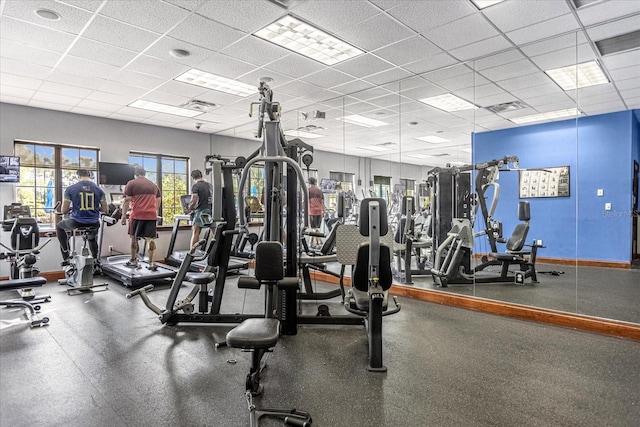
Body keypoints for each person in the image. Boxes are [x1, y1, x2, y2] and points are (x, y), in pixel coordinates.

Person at [56, 169, 108, 266]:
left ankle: (66, 255)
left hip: (76, 222)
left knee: (59, 226)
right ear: (89, 175)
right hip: (94, 222)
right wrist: (95, 208)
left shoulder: (71, 189)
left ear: (78, 176)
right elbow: (106, 210)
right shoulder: (99, 190)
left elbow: (63, 210)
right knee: (92, 238)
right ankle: (95, 260)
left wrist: (73, 208)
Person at [121, 167, 161, 270]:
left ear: (135, 174)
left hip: (137, 215)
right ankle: (151, 263)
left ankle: (134, 260)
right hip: (151, 216)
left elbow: (127, 200)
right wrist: (152, 210)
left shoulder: (131, 183)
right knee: (150, 239)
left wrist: (123, 216)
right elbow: (158, 200)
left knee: (134, 238)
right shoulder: (153, 185)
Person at [187, 169, 213, 249]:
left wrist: (190, 207)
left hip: (201, 211)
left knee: (196, 232)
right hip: (211, 210)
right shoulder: (209, 185)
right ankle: (216, 251)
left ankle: (192, 252)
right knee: (215, 231)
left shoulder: (196, 186)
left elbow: (194, 199)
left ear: (193, 177)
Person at [307, 177, 324, 247]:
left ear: (309, 183)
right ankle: (318, 242)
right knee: (316, 228)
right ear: (315, 182)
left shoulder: (308, 191)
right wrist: (323, 211)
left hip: (312, 211)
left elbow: (306, 202)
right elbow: (322, 202)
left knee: (314, 228)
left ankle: (312, 242)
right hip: (319, 211)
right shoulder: (320, 191)